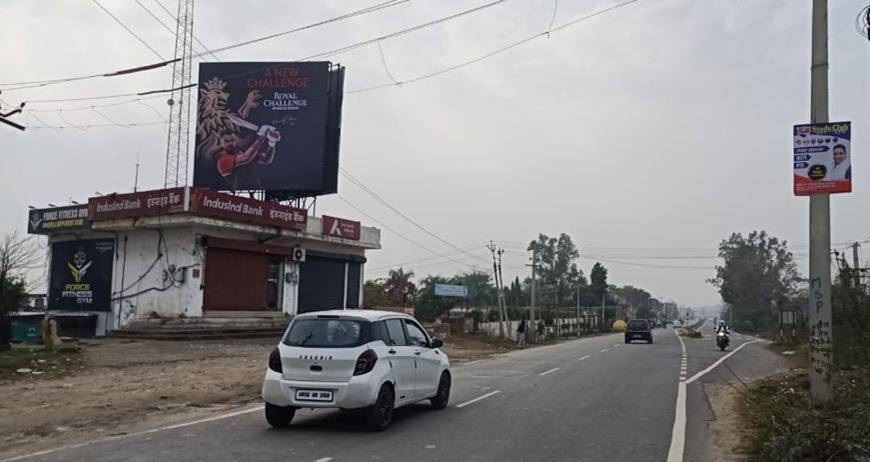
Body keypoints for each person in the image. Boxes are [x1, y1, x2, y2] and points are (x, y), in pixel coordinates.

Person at [213, 126, 280, 189]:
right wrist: (261, 137)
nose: (230, 143)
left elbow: (266, 160)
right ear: (221, 142)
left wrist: (272, 143)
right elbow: (247, 158)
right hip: (241, 195)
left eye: (232, 140)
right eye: (226, 141)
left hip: (257, 190)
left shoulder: (243, 152)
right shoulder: (222, 161)